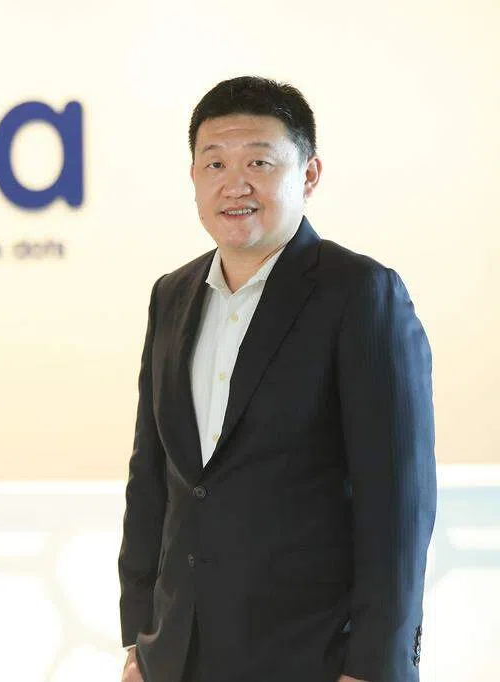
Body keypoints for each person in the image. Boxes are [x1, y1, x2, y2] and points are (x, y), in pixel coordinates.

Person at [117, 76, 436, 682]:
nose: (235, 184)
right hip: (177, 653)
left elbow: (398, 502)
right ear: (194, 177)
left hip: (312, 655)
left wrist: (376, 665)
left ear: (309, 175)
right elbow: (152, 478)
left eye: (259, 162)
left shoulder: (361, 293)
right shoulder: (172, 296)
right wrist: (139, 638)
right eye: (215, 163)